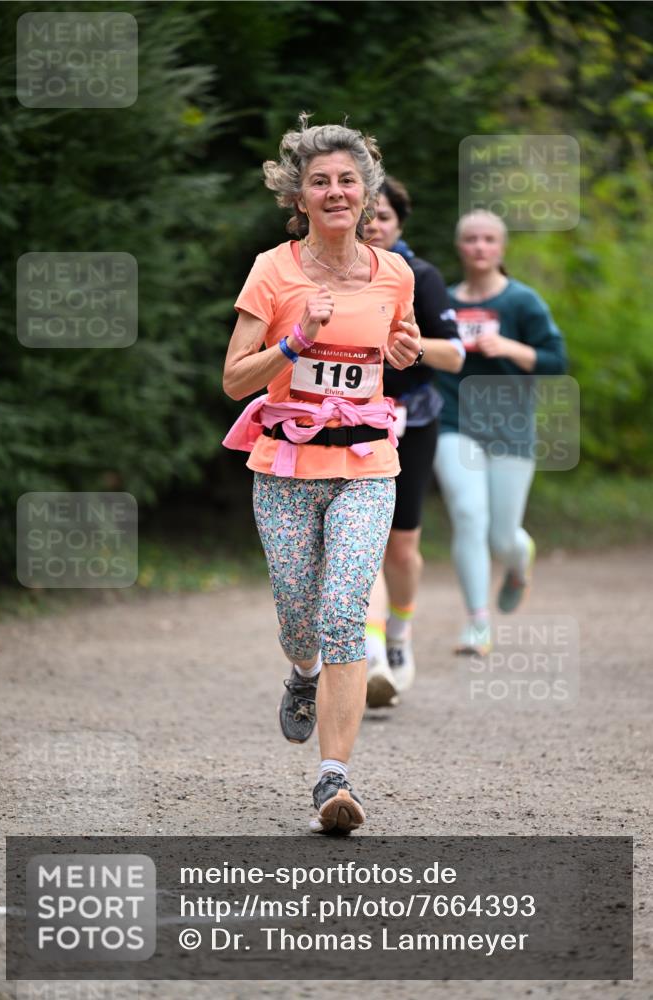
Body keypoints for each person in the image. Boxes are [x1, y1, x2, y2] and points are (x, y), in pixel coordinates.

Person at [222, 116, 422, 833]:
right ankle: (300, 675)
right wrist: (295, 339)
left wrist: (405, 351)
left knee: (344, 611)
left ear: (366, 192)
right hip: (283, 467)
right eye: (319, 182)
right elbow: (235, 379)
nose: (336, 192)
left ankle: (332, 780)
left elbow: (392, 353)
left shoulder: (393, 272)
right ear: (297, 196)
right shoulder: (271, 271)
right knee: (297, 615)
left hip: (367, 464)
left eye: (347, 180)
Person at [433, 210, 568, 655]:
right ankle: (477, 623)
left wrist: (509, 347)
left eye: (489, 239)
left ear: (501, 247)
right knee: (469, 515)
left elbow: (556, 363)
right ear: (460, 246)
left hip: (511, 427)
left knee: (501, 536)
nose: (480, 247)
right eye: (471, 239)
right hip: (454, 423)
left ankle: (518, 558)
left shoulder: (522, 302)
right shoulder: (446, 303)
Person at [362, 178, 464, 707]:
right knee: (364, 546)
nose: (373, 224)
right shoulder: (339, 275)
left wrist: (409, 343)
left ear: (400, 222)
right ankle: (373, 655)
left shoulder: (421, 276)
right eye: (367, 215)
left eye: (383, 215)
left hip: (414, 422)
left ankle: (398, 637)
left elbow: (456, 356)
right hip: (352, 424)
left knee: (401, 548)